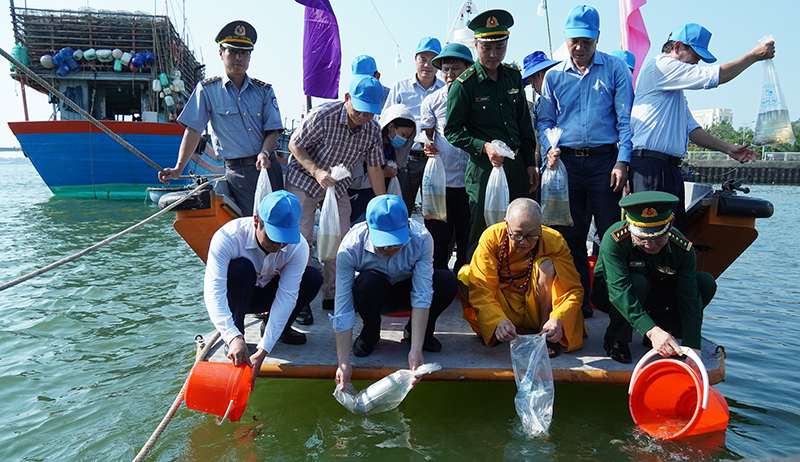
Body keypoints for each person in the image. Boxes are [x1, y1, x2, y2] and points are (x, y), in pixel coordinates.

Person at [537, 5, 634, 319]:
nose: (579, 48)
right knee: (570, 235)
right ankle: (579, 300)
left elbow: (625, 123)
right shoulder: (553, 76)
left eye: (587, 42)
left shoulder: (616, 69)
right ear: (566, 39)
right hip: (565, 166)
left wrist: (622, 162)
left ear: (598, 38)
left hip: (604, 161)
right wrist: (547, 148)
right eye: (574, 41)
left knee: (611, 235)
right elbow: (544, 122)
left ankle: (612, 301)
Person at [630, 24, 775, 230]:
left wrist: (728, 149)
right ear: (678, 47)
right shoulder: (662, 66)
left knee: (671, 235)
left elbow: (693, 131)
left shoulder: (674, 91)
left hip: (668, 169)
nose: (695, 64)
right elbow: (716, 76)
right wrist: (753, 56)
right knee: (652, 235)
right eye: (695, 57)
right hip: (651, 167)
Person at [286, 74, 387, 316]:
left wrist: (384, 203)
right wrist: (316, 171)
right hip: (304, 179)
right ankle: (299, 299)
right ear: (347, 99)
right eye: (360, 110)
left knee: (342, 241)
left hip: (338, 186)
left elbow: (374, 168)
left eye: (370, 112)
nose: (364, 117)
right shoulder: (322, 116)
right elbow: (294, 145)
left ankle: (333, 294)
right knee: (301, 239)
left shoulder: (372, 130)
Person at [158, 20, 284, 216]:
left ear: (250, 56)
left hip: (268, 167)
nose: (238, 58)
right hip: (239, 174)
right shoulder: (207, 90)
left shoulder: (264, 91)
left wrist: (265, 154)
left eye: (244, 53)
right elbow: (193, 130)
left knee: (278, 222)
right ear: (220, 53)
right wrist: (178, 168)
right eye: (232, 52)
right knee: (253, 227)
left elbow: (273, 130)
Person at [332, 195, 458, 388]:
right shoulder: (350, 246)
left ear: (407, 226)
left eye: (396, 243)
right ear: (367, 226)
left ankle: (416, 333)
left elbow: (422, 294)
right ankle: (370, 333)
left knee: (447, 281)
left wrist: (416, 350)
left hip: (405, 290)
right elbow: (342, 306)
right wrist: (343, 362)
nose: (390, 248)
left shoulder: (422, 238)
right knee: (369, 281)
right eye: (383, 243)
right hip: (373, 293)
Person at [444, 9, 539, 262]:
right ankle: (475, 291)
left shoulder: (513, 76)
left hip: (516, 168)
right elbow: (451, 131)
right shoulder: (465, 84)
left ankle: (513, 286)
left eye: (500, 47)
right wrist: (483, 147)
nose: (494, 54)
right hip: (484, 170)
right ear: (476, 45)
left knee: (520, 229)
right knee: (481, 231)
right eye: (487, 48)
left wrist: (530, 162)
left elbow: (524, 125)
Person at [204, 191, 323, 387]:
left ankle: (279, 330)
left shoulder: (298, 246)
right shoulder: (228, 237)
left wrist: (264, 349)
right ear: (257, 220)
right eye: (274, 236)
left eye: (285, 237)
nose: (279, 244)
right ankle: (236, 336)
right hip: (238, 294)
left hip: (268, 294)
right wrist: (231, 335)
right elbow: (213, 291)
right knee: (241, 269)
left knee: (312, 278)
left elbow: (287, 296)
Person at [591, 191, 717, 364]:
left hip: (653, 292)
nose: (650, 244)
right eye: (642, 238)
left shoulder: (682, 248)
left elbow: (689, 296)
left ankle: (665, 331)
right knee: (637, 283)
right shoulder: (615, 240)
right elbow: (618, 290)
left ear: (670, 225)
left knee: (705, 283)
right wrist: (651, 330)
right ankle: (617, 337)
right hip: (612, 294)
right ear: (629, 226)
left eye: (658, 238)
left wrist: (693, 346)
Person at [457, 198, 585, 356]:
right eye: (517, 235)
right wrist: (496, 320)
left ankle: (547, 332)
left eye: (531, 236)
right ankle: (497, 328)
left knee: (546, 267)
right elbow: (482, 287)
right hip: (502, 304)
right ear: (506, 223)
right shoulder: (492, 237)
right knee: (468, 275)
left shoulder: (554, 240)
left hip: (538, 307)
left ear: (540, 226)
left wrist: (558, 318)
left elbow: (571, 288)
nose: (524, 242)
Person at [419, 43, 473, 274]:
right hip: (442, 184)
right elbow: (426, 134)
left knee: (469, 238)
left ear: (469, 69)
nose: (450, 74)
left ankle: (466, 282)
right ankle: (440, 281)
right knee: (439, 239)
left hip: (471, 184)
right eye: (446, 69)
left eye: (456, 68)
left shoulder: (478, 98)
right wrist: (426, 146)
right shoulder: (432, 101)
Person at [384, 37, 445, 217]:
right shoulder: (400, 88)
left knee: (436, 213)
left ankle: (435, 246)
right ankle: (398, 245)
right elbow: (385, 120)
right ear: (415, 60)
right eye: (422, 59)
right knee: (401, 210)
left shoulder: (446, 89)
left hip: (435, 160)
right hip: (405, 160)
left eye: (433, 60)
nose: (427, 64)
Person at [348, 104, 415, 224]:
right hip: (357, 203)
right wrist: (382, 174)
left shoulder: (392, 151)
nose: (404, 139)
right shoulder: (365, 145)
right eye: (403, 134)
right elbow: (355, 182)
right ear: (391, 127)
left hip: (378, 201)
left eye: (407, 137)